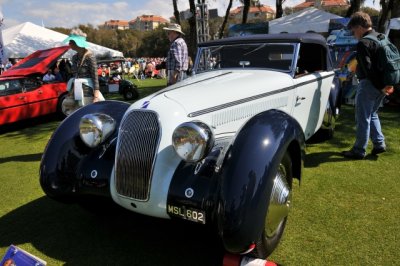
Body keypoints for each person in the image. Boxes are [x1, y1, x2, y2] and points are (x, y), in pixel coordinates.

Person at [341, 11, 389, 159]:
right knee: (372, 114)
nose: (354, 34)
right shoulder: (381, 37)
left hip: (370, 84)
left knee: (363, 117)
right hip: (385, 83)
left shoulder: (363, 43)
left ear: (360, 27)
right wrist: (383, 85)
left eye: (354, 31)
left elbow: (368, 69)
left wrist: (379, 85)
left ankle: (359, 150)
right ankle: (379, 144)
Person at [62, 28, 102, 106]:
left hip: (88, 93)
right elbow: (75, 76)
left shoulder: (90, 57)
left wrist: (96, 96)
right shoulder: (74, 58)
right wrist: (71, 92)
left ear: (77, 43)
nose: (69, 44)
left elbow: (95, 77)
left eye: (71, 42)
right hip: (77, 92)